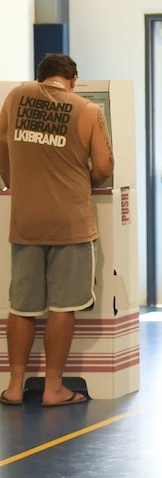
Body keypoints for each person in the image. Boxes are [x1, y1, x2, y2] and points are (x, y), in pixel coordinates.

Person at [0, 53, 113, 406]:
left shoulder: (16, 97)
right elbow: (104, 168)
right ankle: (53, 388)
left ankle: (15, 387)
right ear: (73, 80)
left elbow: (1, 145)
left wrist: (12, 182)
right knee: (63, 307)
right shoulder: (88, 110)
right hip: (71, 223)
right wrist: (85, 177)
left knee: (21, 306)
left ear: (41, 76)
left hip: (26, 220)